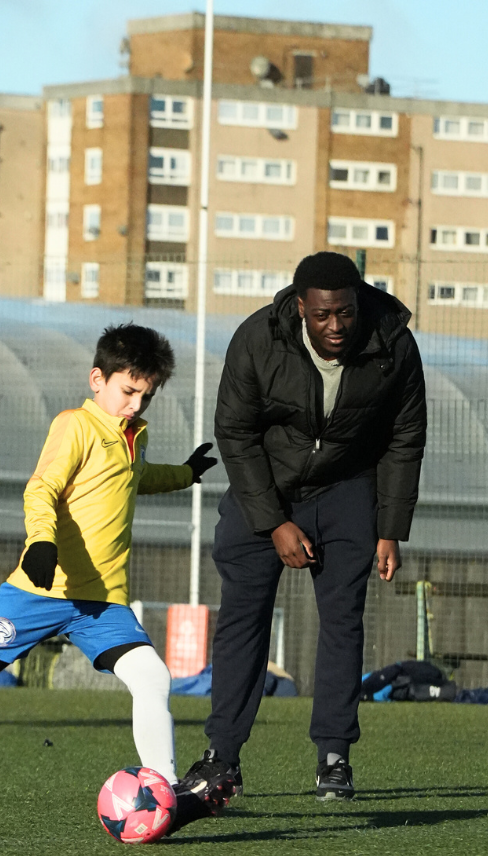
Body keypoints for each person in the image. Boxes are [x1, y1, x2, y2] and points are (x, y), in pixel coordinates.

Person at [0, 322, 228, 829]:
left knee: (151, 676)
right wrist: (41, 542)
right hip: (40, 591)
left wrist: (185, 474)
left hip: (100, 600)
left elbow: (134, 479)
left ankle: (161, 794)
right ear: (97, 379)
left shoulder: (132, 437)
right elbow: (42, 489)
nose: (136, 405)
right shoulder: (74, 425)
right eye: (128, 392)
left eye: (146, 396)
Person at [180, 252, 427, 801]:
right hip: (264, 487)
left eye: (344, 312)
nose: (335, 326)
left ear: (358, 302)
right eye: (322, 315)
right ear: (300, 308)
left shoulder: (395, 345)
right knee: (243, 617)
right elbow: (236, 433)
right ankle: (223, 757)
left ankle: (334, 758)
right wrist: (274, 524)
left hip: (345, 490)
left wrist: (390, 529)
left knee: (343, 620)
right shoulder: (257, 340)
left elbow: (404, 438)